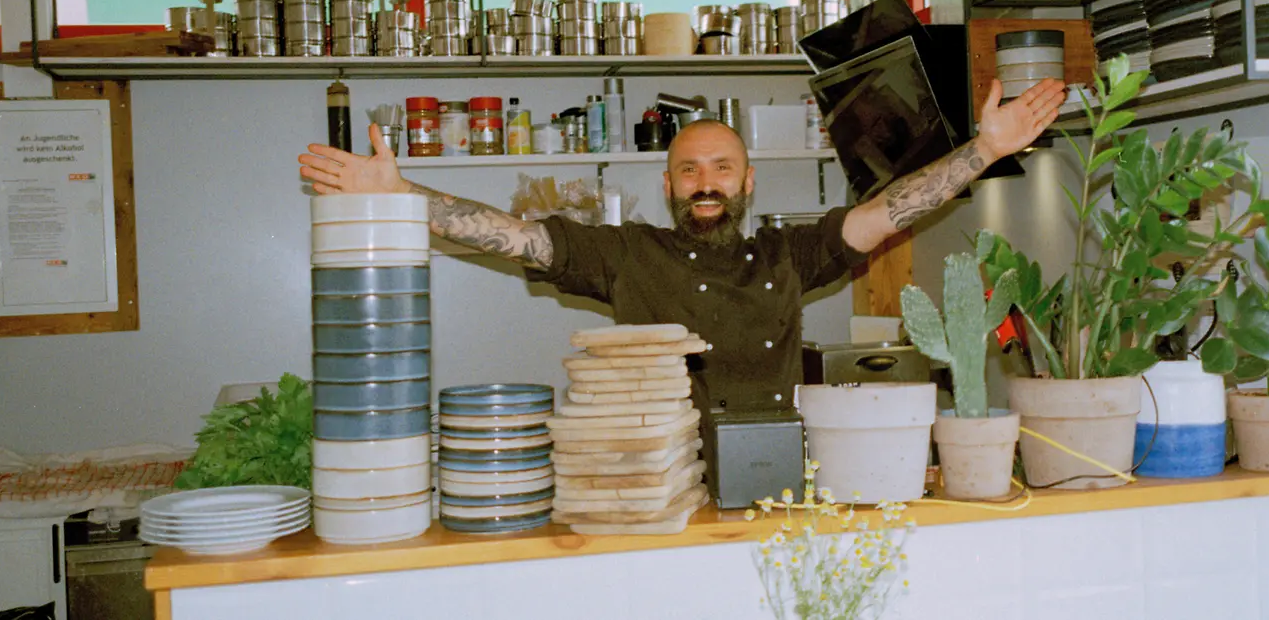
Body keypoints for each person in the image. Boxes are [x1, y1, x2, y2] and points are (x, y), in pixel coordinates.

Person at [298, 79, 1068, 409]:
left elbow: (889, 212)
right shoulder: (625, 254)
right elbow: (513, 236)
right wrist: (403, 199)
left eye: (722, 168)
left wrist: (983, 152)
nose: (706, 181)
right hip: (655, 471)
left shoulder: (787, 256)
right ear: (668, 185)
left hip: (772, 469)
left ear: (747, 182)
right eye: (689, 169)